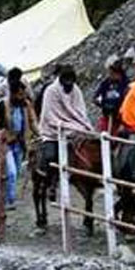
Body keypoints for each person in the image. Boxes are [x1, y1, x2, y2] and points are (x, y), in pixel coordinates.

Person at [35, 66, 93, 229]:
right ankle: (50, 183)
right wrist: (64, 126)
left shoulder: (76, 91)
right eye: (66, 82)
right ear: (61, 80)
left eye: (71, 82)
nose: (69, 85)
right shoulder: (51, 91)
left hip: (74, 127)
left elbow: (80, 110)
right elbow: (49, 114)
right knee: (50, 155)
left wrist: (80, 125)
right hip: (53, 130)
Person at [0, 78, 40, 210]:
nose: (22, 97)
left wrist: (40, 134)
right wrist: (0, 136)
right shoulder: (1, 105)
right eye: (19, 94)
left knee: (15, 172)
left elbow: (32, 121)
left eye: (23, 94)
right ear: (12, 93)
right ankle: (9, 200)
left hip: (20, 143)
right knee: (11, 172)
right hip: (6, 143)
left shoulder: (26, 105)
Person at [94, 59, 128, 133]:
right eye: (110, 73)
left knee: (121, 134)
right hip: (107, 116)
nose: (111, 75)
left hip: (120, 118)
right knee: (101, 134)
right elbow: (96, 97)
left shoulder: (126, 84)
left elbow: (128, 101)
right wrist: (103, 104)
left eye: (113, 73)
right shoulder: (106, 83)